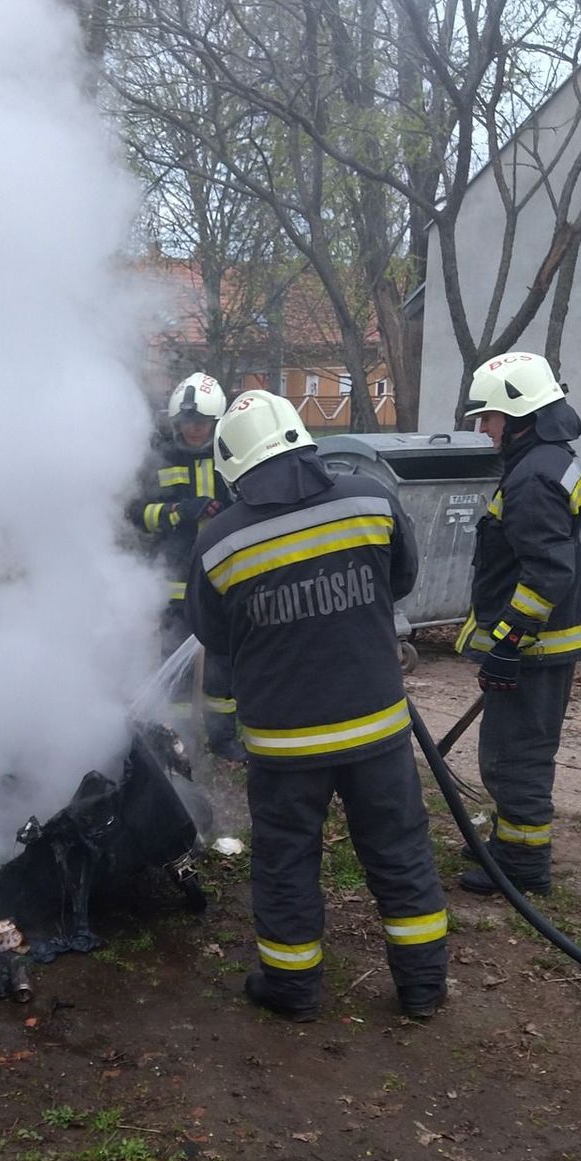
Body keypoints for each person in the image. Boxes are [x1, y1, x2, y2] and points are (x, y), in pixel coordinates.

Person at [185, 390, 449, 1020]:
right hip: (376, 729)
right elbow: (401, 579)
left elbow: (215, 638)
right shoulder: (370, 498)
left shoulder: (219, 541)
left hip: (285, 744)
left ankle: (293, 991)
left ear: (234, 464)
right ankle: (422, 990)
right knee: (399, 853)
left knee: (286, 865)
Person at [453, 351, 581, 898]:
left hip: (533, 650)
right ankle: (510, 844)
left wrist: (509, 641)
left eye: (488, 418)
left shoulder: (533, 478)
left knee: (516, 758)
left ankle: (523, 865)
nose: (484, 429)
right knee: (513, 752)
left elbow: (547, 572)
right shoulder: (551, 461)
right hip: (545, 646)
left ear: (519, 416)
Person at [127, 372, 237, 754]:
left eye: (202, 422)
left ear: (215, 422)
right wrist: (178, 511)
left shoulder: (232, 452)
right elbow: (138, 514)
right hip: (174, 576)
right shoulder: (160, 458)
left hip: (223, 573)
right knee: (175, 659)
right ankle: (177, 740)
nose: (194, 429)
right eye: (188, 422)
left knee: (224, 660)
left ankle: (223, 738)